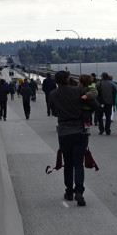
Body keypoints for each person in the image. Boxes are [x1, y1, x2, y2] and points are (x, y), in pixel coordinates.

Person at [48, 70, 94, 207]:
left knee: (67, 163)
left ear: (56, 81)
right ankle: (79, 190)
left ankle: (69, 192)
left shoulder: (53, 94)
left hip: (64, 131)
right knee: (78, 163)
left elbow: (54, 112)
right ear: (68, 79)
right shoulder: (78, 91)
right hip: (80, 130)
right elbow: (93, 104)